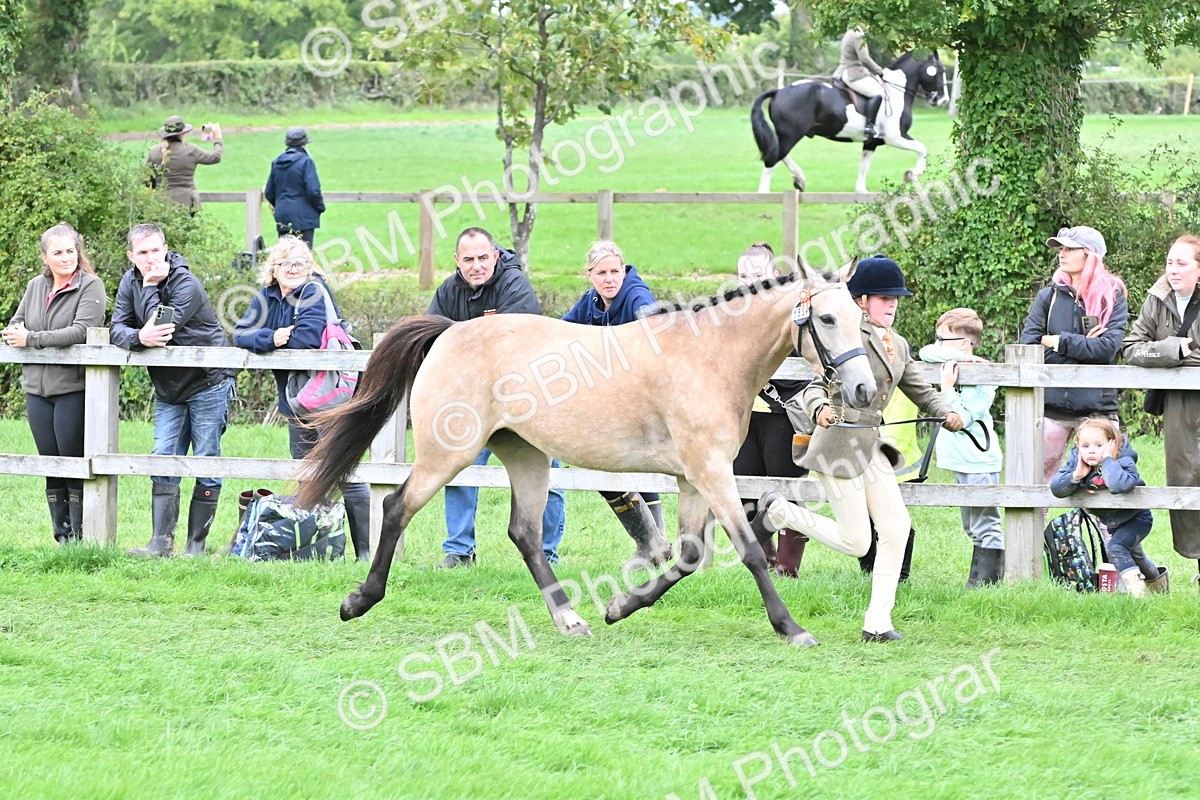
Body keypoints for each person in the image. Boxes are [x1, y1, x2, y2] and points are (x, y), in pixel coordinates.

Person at [750, 254, 964, 642]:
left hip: (871, 445)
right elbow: (816, 385)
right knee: (857, 541)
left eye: (896, 298)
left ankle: (877, 623)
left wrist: (947, 411)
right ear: (862, 301)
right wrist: (819, 409)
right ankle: (781, 512)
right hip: (838, 446)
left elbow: (919, 388)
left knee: (897, 528)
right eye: (885, 298)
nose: (894, 304)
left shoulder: (897, 344)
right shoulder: (848, 335)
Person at [428, 227, 566, 568]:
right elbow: (432, 339)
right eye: (469, 259)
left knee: (549, 474)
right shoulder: (447, 291)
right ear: (457, 261)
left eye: (483, 258)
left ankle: (547, 553)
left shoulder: (514, 285)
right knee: (457, 468)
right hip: (473, 403)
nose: (477, 265)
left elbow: (516, 342)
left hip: (526, 399)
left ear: (495, 255)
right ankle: (459, 550)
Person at [233, 236, 369, 561]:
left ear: (310, 267)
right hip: (296, 402)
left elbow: (308, 338)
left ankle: (365, 553)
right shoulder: (265, 297)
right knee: (306, 469)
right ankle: (314, 549)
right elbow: (240, 333)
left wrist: (276, 340)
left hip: (330, 401)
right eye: (287, 263)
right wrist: (271, 337)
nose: (295, 269)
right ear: (273, 269)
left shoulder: (313, 291)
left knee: (343, 470)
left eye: (301, 263)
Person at [111, 223, 234, 557]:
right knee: (163, 457)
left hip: (208, 381)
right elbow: (117, 328)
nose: (150, 259)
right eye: (142, 253)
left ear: (166, 248)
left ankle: (196, 545)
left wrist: (150, 288)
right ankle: (160, 543)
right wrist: (137, 338)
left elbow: (161, 327)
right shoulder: (129, 281)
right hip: (169, 388)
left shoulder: (185, 283)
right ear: (131, 255)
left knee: (206, 459)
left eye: (155, 250)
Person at [561, 240, 670, 567]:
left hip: (646, 402)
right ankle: (653, 545)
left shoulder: (638, 298)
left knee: (624, 465)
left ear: (624, 271)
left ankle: (653, 544)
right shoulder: (589, 302)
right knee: (607, 467)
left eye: (615, 271)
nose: (610, 278)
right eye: (602, 273)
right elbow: (560, 335)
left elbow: (657, 346)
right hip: (610, 406)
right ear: (589, 275)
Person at [2, 223, 107, 543]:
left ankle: (80, 535)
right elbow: (16, 323)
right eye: (58, 253)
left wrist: (31, 339)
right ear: (44, 257)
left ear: (79, 252)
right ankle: (61, 536)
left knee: (72, 461)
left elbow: (81, 331)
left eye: (70, 251)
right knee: (50, 462)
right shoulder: (35, 286)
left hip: (71, 388)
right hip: (36, 388)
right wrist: (15, 334)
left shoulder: (91, 286)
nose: (65, 258)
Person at [1020, 225, 1128, 488]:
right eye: (1061, 248)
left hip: (1098, 409)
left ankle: (1105, 533)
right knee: (1040, 485)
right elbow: (1029, 348)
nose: (1062, 254)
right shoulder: (1048, 296)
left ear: (1089, 255)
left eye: (1070, 249)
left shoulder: (1112, 297)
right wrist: (1083, 348)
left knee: (1103, 488)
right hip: (1051, 408)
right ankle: (1037, 531)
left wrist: (1059, 342)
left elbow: (1108, 349)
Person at [1123, 234, 1200, 589]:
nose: (1173, 269)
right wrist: (1175, 350)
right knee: (1184, 479)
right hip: (1179, 407)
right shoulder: (1157, 300)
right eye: (1170, 262)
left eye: (1182, 263)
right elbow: (1131, 347)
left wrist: (1172, 353)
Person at [730, 242, 811, 577]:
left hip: (783, 411)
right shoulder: (731, 314)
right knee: (745, 483)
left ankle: (788, 569)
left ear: (775, 276)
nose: (749, 282)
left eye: (757, 275)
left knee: (785, 488)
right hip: (745, 414)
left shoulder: (792, 312)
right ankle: (764, 561)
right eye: (743, 275)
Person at [919, 307, 1005, 587]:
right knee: (971, 526)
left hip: (978, 459)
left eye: (946, 341)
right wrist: (962, 356)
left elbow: (962, 419)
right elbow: (925, 352)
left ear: (967, 341)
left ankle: (987, 584)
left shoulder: (982, 376)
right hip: (961, 461)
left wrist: (946, 388)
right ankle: (977, 582)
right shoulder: (962, 361)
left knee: (985, 524)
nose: (939, 346)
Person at [1049, 418, 1166, 596]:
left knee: (1116, 548)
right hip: (1112, 522)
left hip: (1136, 518)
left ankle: (1138, 596)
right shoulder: (1078, 462)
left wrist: (1108, 460)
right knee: (1138, 558)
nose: (1091, 451)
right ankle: (1161, 589)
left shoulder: (1123, 459)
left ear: (1113, 444)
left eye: (1098, 445)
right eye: (1085, 446)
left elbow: (1119, 485)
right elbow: (1057, 488)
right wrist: (1076, 475)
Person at [264, 127, 326, 248]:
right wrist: (320, 207)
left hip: (283, 215)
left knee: (286, 255)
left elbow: (269, 192)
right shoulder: (306, 162)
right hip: (304, 216)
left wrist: (280, 205)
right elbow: (313, 191)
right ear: (304, 144)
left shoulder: (276, 162)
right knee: (303, 257)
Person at [145, 116, 223, 211]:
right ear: (183, 134)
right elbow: (216, 157)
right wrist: (218, 137)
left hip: (160, 205)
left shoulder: (153, 152)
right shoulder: (191, 150)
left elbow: (146, 181)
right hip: (188, 203)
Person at [833, 26, 886, 140]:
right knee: (878, 93)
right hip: (853, 73)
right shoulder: (858, 35)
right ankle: (869, 126)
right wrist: (879, 71)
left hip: (844, 71)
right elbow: (864, 59)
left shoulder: (850, 32)